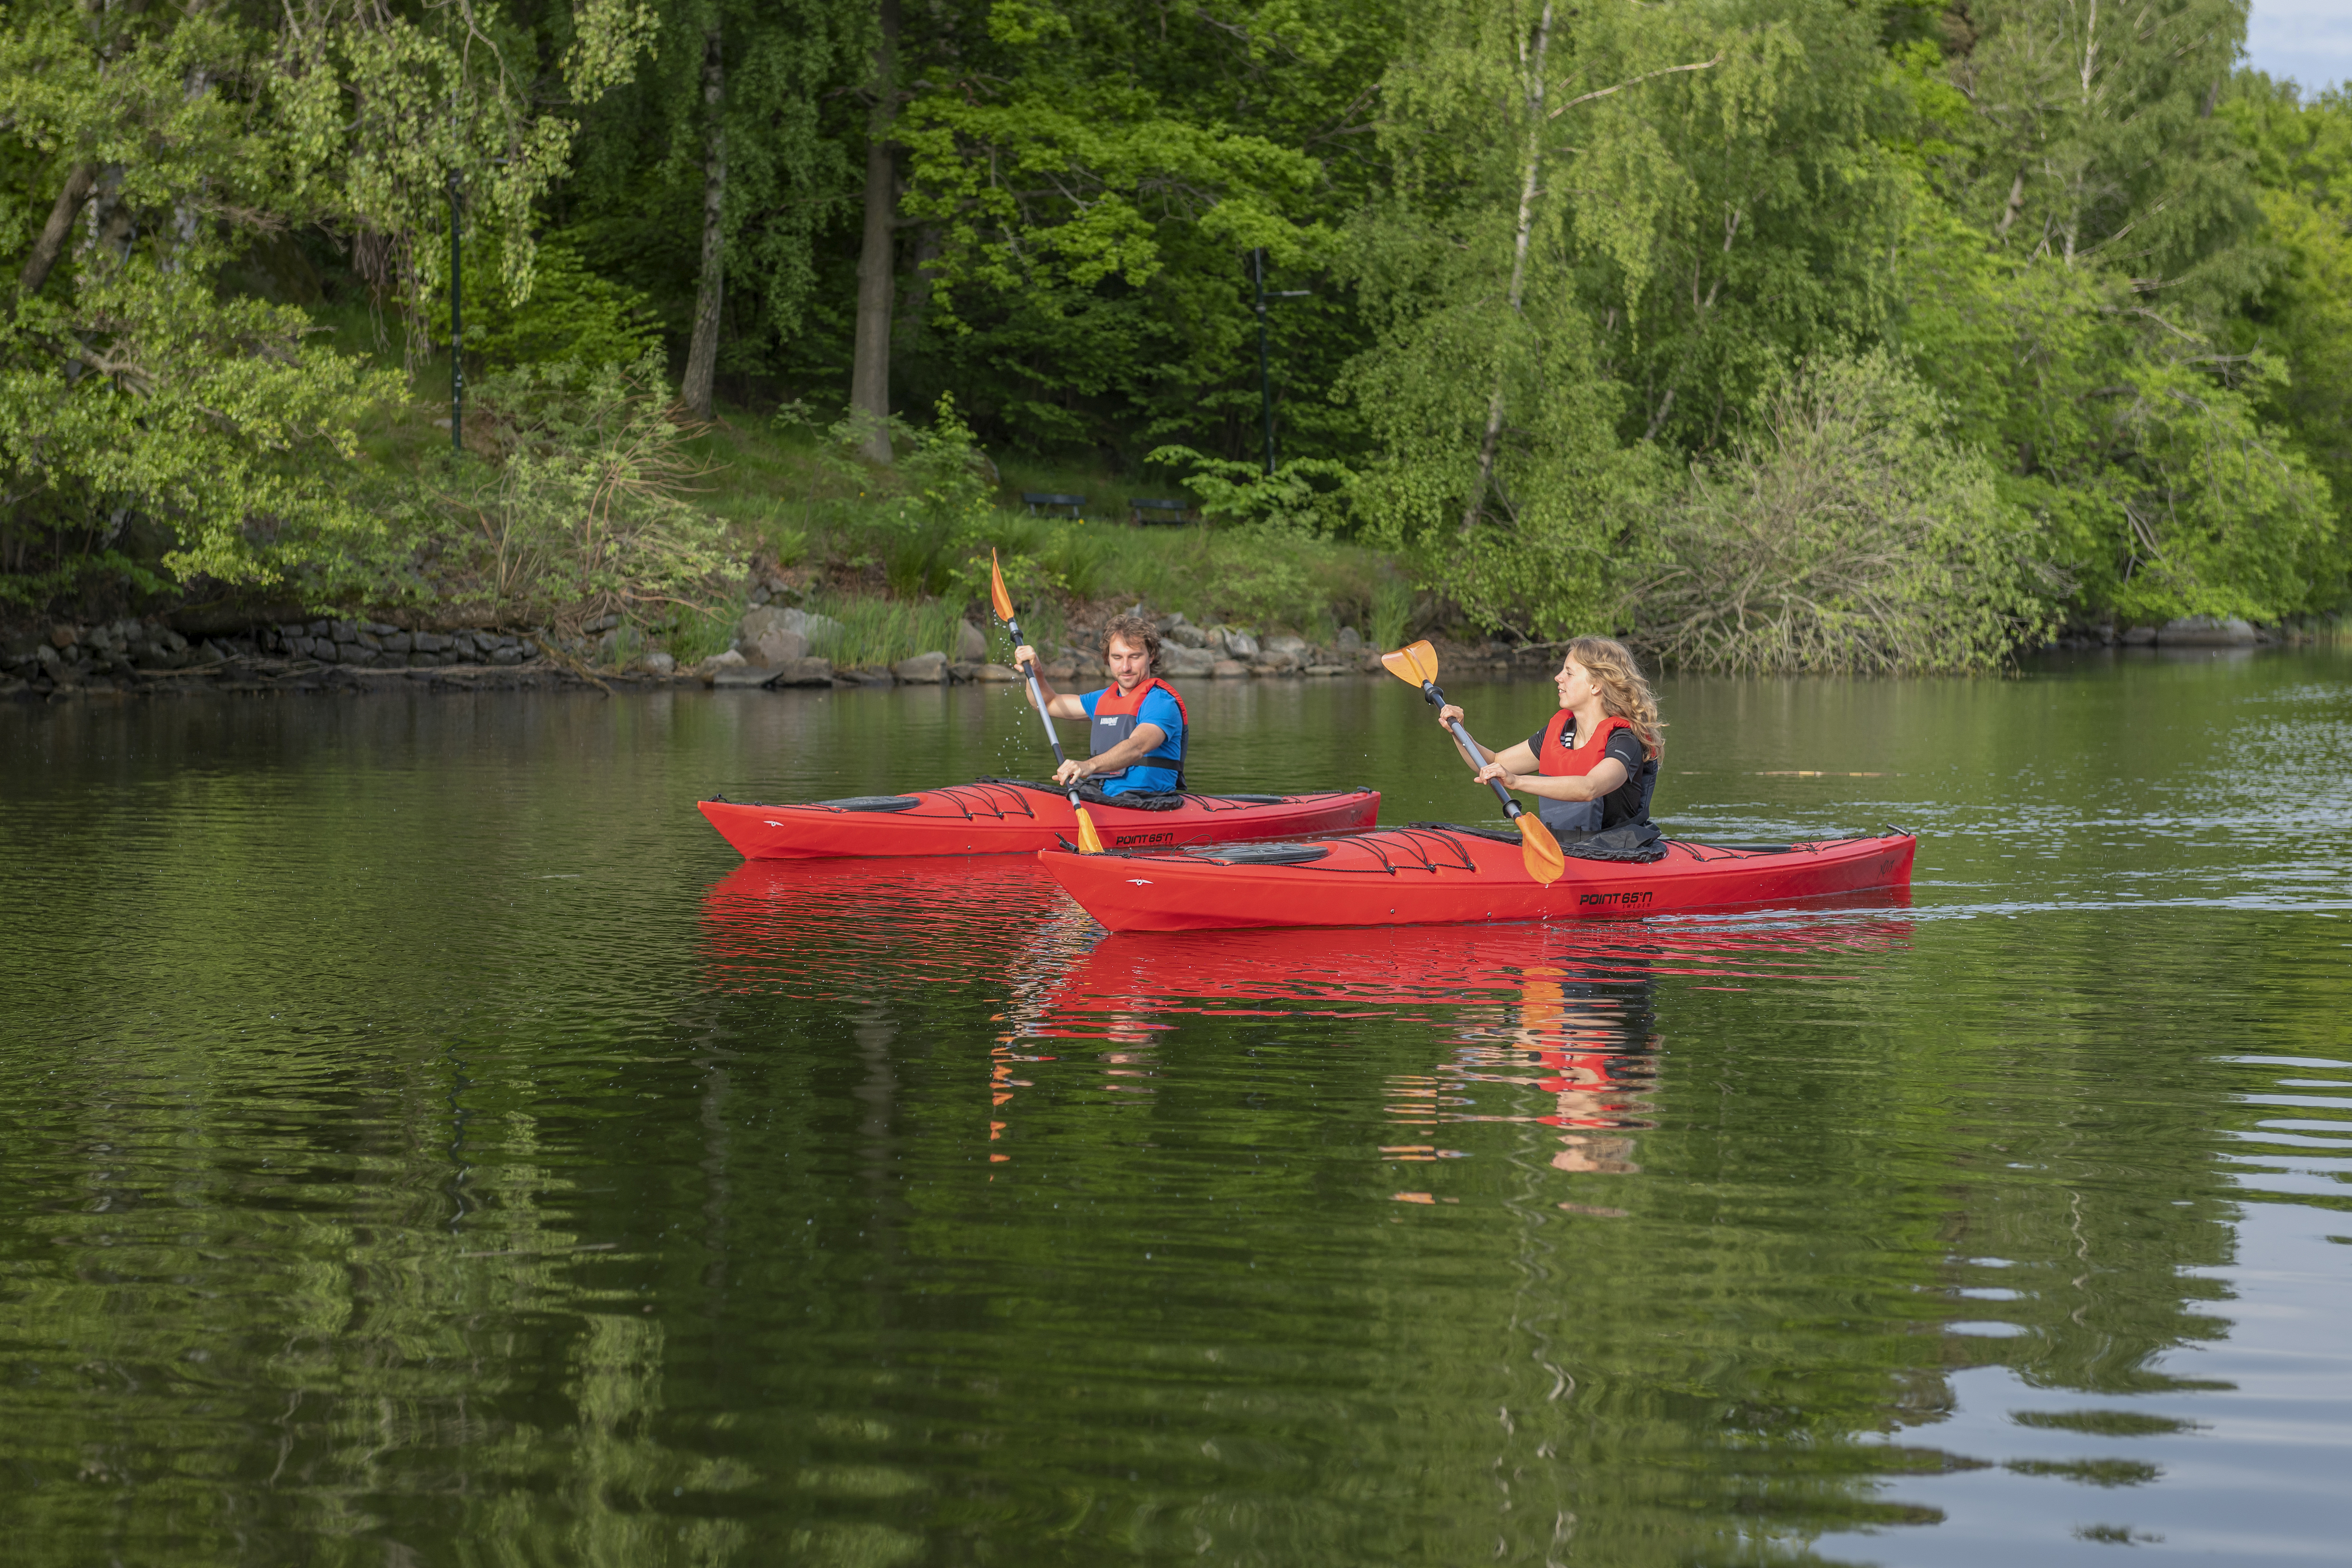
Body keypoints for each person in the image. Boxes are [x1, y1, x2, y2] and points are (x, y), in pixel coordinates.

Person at [1437, 636, 1662, 836]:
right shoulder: (1560, 733)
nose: (1558, 677)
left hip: (1614, 856)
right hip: (1564, 852)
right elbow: (1491, 764)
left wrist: (1516, 781)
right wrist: (1460, 733)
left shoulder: (1624, 740)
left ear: (1596, 686)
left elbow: (1590, 788)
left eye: (1569, 673)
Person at [1011, 613, 1188, 796]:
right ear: (1107, 658)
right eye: (1117, 658)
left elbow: (1138, 746)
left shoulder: (1161, 702)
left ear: (1151, 656)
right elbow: (1046, 704)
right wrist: (1035, 671)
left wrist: (1089, 765)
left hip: (1147, 802)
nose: (1126, 667)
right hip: (1103, 797)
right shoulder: (1102, 699)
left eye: (1135, 657)